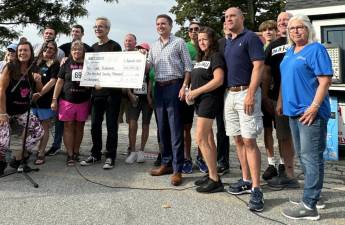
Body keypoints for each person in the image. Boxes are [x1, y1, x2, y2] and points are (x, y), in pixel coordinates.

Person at [279, 14, 332, 221]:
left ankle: (310, 205)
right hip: (293, 113)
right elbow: (287, 78)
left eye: (299, 27)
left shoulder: (316, 49)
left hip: (310, 114)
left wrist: (314, 107)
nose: (295, 31)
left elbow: (325, 80)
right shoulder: (290, 51)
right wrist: (282, 101)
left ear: (308, 29)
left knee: (311, 157)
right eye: (292, 29)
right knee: (304, 156)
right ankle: (315, 197)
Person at [223, 7, 265, 211]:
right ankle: (246, 179)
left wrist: (250, 93)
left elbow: (258, 66)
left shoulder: (250, 38)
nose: (229, 19)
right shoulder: (229, 41)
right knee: (238, 139)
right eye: (227, 17)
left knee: (249, 140)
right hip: (230, 95)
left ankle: (257, 188)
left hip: (246, 92)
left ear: (242, 18)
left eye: (233, 16)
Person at [147, 14, 192, 186]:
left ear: (170, 25)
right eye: (158, 24)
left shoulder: (179, 42)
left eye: (163, 23)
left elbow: (188, 67)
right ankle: (165, 163)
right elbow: (147, 66)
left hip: (175, 86)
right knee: (162, 128)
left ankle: (177, 169)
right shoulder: (153, 46)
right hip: (159, 87)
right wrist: (135, 62)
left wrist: (184, 86)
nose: (160, 26)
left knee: (175, 129)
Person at [80, 17, 122, 170]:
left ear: (108, 29)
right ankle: (95, 154)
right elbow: (89, 71)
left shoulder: (115, 46)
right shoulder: (91, 49)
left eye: (101, 27)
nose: (98, 29)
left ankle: (110, 156)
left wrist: (105, 82)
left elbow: (118, 70)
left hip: (112, 94)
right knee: (95, 125)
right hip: (96, 94)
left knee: (111, 126)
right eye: (96, 27)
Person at [263, 12, 300, 188]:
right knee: (283, 136)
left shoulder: (301, 43)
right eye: (279, 20)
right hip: (279, 98)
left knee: (301, 138)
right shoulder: (273, 46)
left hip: (300, 97)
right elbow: (266, 73)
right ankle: (287, 171)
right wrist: (264, 96)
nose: (282, 22)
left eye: (286, 19)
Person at [187, 26, 225, 193]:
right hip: (200, 100)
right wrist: (189, 90)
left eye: (205, 39)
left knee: (200, 138)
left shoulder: (216, 56)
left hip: (210, 100)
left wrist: (197, 91)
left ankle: (215, 180)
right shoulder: (201, 57)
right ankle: (212, 173)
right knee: (208, 139)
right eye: (199, 39)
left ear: (212, 40)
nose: (202, 42)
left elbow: (218, 80)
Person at [46, 24, 92, 157]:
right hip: (67, 101)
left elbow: (94, 82)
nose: (77, 52)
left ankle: (76, 151)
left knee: (79, 127)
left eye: (79, 50)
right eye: (74, 50)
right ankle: (70, 154)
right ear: (70, 51)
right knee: (68, 126)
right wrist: (54, 99)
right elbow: (59, 81)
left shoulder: (89, 64)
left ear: (83, 51)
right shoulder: (65, 62)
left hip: (83, 101)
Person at [0, 41, 44, 174]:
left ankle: (18, 158)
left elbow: (40, 91)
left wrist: (38, 81)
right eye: (20, 50)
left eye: (25, 50)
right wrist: (2, 113)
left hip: (23, 110)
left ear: (31, 53)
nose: (22, 53)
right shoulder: (10, 67)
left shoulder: (33, 68)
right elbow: (1, 90)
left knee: (38, 132)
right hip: (5, 110)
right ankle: (1, 163)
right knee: (3, 143)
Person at [183, 21, 208, 174]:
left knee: (203, 130)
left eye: (196, 29)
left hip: (203, 93)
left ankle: (201, 157)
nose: (193, 31)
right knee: (186, 128)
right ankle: (187, 158)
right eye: (191, 29)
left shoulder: (206, 47)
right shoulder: (184, 46)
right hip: (188, 92)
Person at [31, 40, 60, 165]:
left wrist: (40, 94)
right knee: (31, 126)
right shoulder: (34, 62)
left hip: (45, 99)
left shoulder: (55, 64)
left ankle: (41, 151)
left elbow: (53, 81)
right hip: (32, 99)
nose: (49, 50)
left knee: (45, 126)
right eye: (47, 47)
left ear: (55, 51)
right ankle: (28, 150)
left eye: (52, 48)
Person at [125, 42, 154, 164]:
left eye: (143, 49)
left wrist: (149, 96)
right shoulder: (131, 62)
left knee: (146, 124)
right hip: (133, 97)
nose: (141, 50)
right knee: (132, 124)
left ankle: (141, 151)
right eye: (139, 48)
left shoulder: (149, 63)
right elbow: (125, 79)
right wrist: (130, 95)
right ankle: (132, 151)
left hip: (146, 99)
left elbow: (151, 79)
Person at [216, 17, 231, 175]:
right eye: (224, 23)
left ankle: (244, 164)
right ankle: (222, 161)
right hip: (220, 91)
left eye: (229, 21)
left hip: (237, 89)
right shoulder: (219, 43)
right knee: (221, 129)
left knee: (241, 131)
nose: (227, 24)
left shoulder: (245, 39)